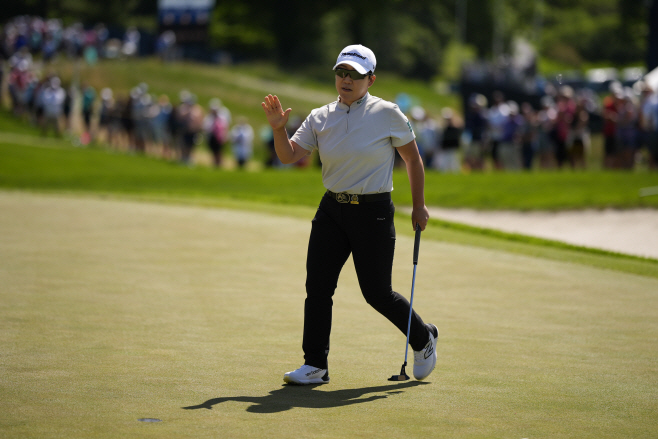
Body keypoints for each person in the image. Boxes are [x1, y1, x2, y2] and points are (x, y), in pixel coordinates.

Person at [261, 44, 437, 385]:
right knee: (318, 288)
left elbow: (412, 160)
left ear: (370, 79)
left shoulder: (387, 113)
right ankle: (315, 365)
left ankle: (423, 338)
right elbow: (288, 156)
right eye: (341, 72)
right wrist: (278, 128)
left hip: (373, 212)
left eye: (354, 75)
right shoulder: (320, 116)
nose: (346, 79)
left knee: (376, 293)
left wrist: (418, 205)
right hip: (332, 211)